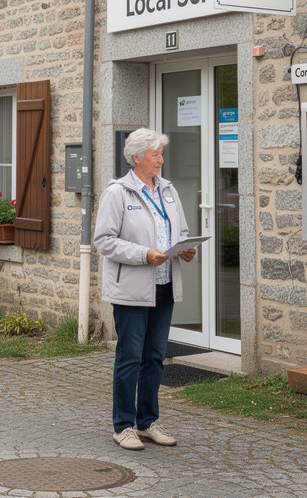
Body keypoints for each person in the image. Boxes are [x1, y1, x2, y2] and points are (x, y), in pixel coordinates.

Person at [93, 127, 198, 451]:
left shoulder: (167, 190)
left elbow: (178, 229)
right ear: (137, 157)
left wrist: (185, 247)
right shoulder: (118, 193)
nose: (161, 161)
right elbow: (104, 241)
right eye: (155, 155)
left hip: (164, 285)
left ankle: (147, 422)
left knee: (154, 358)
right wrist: (143, 254)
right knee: (130, 357)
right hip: (132, 290)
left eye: (161, 155)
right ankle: (123, 426)